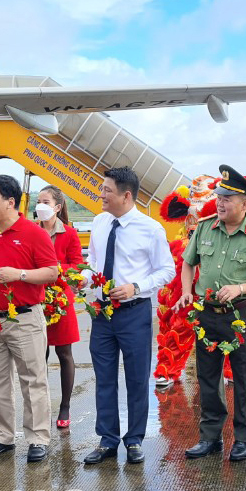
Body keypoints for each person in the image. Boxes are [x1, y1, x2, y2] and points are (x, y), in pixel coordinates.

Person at [174, 164, 246, 463]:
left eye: (227, 199)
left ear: (245, 204)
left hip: (241, 315)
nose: (219, 203)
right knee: (208, 377)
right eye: (219, 197)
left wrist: (240, 288)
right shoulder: (205, 227)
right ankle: (209, 437)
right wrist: (186, 290)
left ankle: (243, 438)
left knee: (245, 378)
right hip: (207, 313)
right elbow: (188, 262)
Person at [0, 175, 59, 463]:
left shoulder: (34, 233)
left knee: (33, 381)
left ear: (10, 201)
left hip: (25, 319)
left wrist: (20, 275)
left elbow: (52, 272)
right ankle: (3, 436)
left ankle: (38, 438)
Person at [82, 167, 175, 465]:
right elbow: (94, 261)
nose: (101, 195)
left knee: (136, 379)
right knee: (104, 378)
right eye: (102, 189)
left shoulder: (150, 229)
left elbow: (167, 270)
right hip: (101, 313)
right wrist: (83, 279)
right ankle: (107, 440)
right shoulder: (99, 222)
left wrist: (136, 286)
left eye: (107, 190)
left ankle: (134, 439)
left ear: (126, 195)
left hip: (134, 313)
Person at [35, 185, 83, 428]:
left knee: (64, 353)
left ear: (57, 207)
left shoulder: (69, 234)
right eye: (38, 201)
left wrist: (55, 270)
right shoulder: (31, 231)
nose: (40, 206)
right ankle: (41, 405)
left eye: (45, 202)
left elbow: (77, 265)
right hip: (36, 297)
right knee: (38, 355)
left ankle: (65, 406)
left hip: (61, 300)